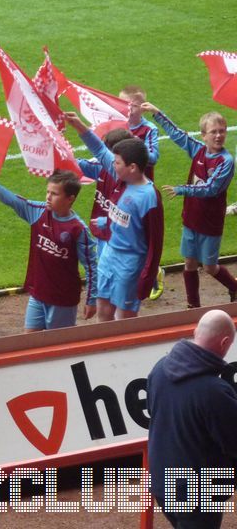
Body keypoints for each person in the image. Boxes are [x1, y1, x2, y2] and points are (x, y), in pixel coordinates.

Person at [66, 112, 163, 321]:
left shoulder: (149, 197)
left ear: (133, 167)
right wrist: (78, 125)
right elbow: (100, 150)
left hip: (130, 263)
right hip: (109, 255)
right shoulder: (122, 174)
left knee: (125, 318)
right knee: (103, 309)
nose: (112, 166)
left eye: (117, 162)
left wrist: (146, 278)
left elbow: (156, 243)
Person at [147, 309, 237, 528]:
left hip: (163, 482)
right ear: (225, 342)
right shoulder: (214, 391)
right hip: (198, 494)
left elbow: (153, 413)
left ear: (195, 331)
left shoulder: (159, 369)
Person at [142, 104, 237, 307]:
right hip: (191, 218)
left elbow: (211, 189)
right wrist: (158, 113)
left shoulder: (226, 161)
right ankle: (193, 305)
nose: (219, 136)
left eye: (222, 131)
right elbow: (178, 136)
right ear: (204, 135)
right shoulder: (199, 150)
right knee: (189, 263)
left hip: (211, 223)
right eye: (214, 132)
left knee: (210, 267)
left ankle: (235, 287)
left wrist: (182, 189)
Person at [0, 170, 97, 331]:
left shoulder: (78, 229)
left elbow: (91, 267)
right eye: (48, 192)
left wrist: (91, 299)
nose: (48, 197)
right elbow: (13, 201)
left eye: (54, 194)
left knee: (58, 346)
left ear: (70, 199)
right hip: (38, 293)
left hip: (62, 299)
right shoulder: (38, 211)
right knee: (30, 339)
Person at [119, 85, 165, 300]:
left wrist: (133, 145)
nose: (127, 109)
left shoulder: (148, 130)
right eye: (123, 104)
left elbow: (154, 157)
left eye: (133, 105)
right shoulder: (117, 125)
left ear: (142, 108)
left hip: (143, 194)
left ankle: (154, 275)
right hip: (123, 190)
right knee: (128, 234)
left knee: (144, 237)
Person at [78, 128, 131, 260]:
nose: (103, 156)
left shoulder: (130, 180)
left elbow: (133, 217)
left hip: (122, 236)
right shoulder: (101, 167)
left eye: (107, 150)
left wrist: (107, 221)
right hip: (103, 233)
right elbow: (77, 165)